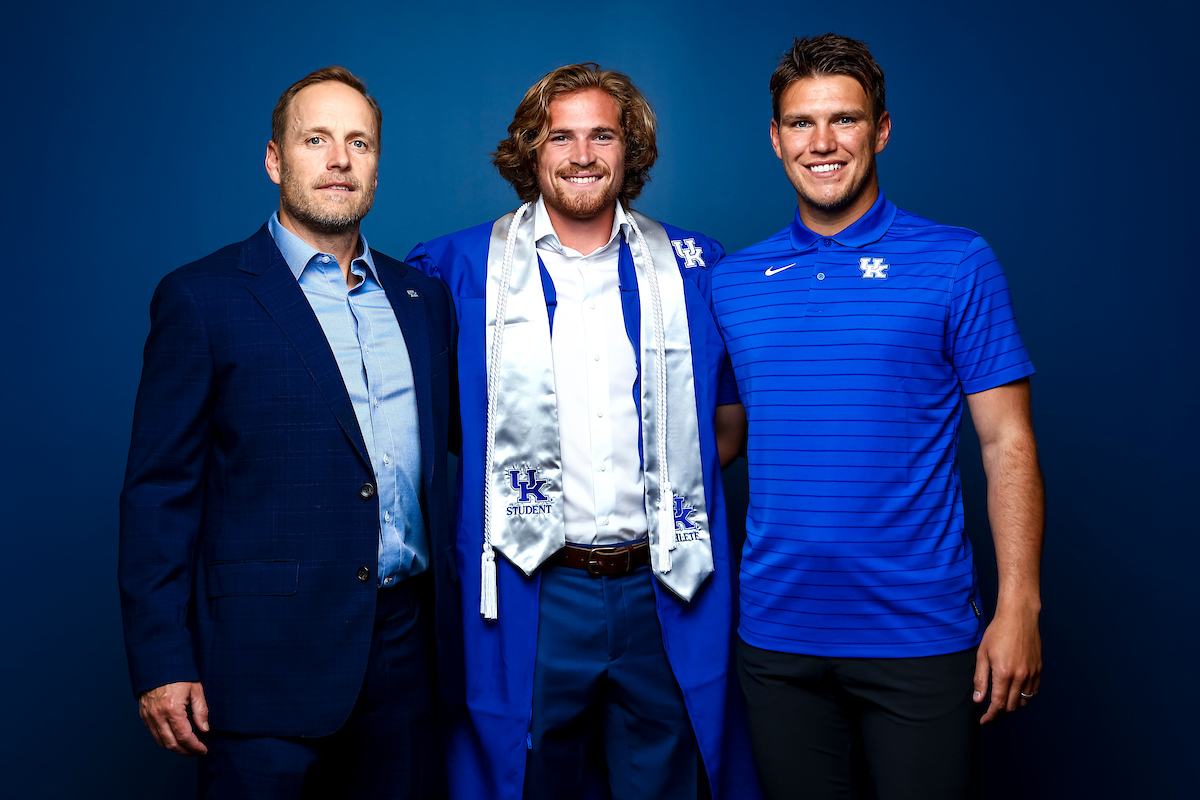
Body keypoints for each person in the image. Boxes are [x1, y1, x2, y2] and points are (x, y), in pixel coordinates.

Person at [711, 34, 1045, 800]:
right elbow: (718, 438)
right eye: (801, 123)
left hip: (919, 635)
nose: (822, 143)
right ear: (775, 139)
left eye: (845, 120)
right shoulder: (733, 282)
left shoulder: (958, 261)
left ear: (881, 130)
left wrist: (1019, 604)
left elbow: (1007, 442)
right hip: (777, 638)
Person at [406, 63, 752, 800]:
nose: (582, 153)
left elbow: (723, 428)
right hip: (534, 586)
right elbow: (430, 433)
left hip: (659, 584)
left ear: (632, 151)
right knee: (525, 777)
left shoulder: (693, 266)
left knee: (666, 778)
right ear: (531, 150)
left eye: (603, 134)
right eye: (559, 136)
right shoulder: (457, 268)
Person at [118, 66, 463, 799]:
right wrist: (161, 658)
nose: (339, 160)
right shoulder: (202, 299)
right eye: (317, 139)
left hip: (408, 660)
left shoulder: (421, 299)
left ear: (375, 163)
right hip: (261, 670)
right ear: (276, 158)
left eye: (358, 143)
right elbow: (158, 494)